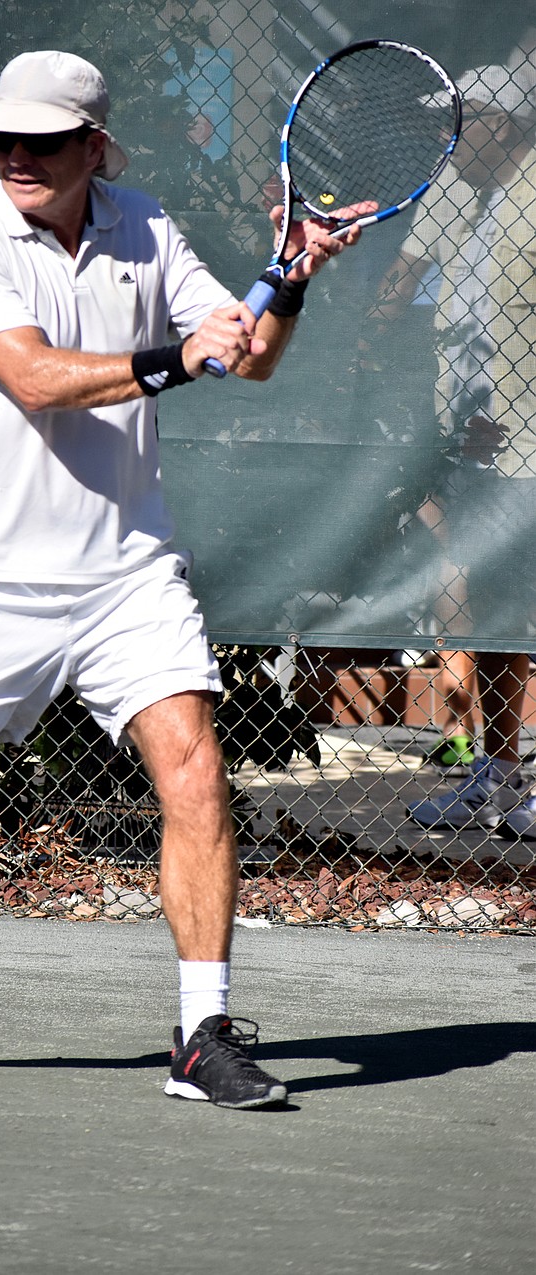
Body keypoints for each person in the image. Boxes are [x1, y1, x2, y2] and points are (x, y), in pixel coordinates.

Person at [0, 50, 363, 1107]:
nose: (16, 155)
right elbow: (33, 377)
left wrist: (288, 274)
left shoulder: (143, 224)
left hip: (127, 573)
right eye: (1, 139)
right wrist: (167, 359)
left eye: (43, 141)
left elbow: (247, 356)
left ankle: (201, 1034)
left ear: (93, 146)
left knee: (194, 770)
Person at [370, 63, 536, 838]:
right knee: (493, 615)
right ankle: (497, 781)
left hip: (528, 444)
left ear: (501, 127)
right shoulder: (453, 190)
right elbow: (402, 280)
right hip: (473, 446)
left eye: (460, 123)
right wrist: (367, 336)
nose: (446, 137)